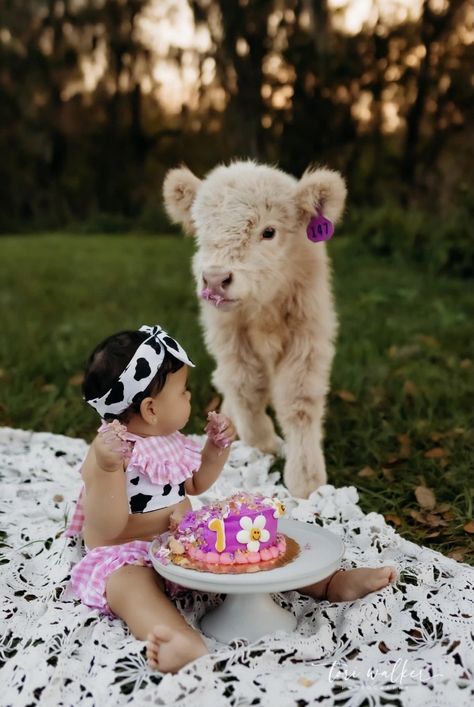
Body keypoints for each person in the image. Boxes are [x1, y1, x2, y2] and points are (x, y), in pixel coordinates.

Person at [66, 324, 396, 674]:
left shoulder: (167, 438)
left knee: (244, 549)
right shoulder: (109, 454)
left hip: (181, 543)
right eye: (184, 391)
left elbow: (194, 484)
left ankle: (329, 583)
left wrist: (215, 448)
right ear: (150, 409)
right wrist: (107, 470)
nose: (190, 397)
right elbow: (109, 526)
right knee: (132, 591)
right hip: (127, 553)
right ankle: (178, 639)